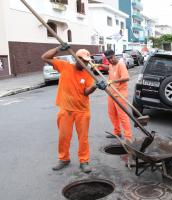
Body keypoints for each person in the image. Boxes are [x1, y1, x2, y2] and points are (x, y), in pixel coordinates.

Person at [41, 44, 107, 173]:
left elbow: (86, 92)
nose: (84, 63)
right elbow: (44, 57)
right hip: (65, 110)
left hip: (82, 111)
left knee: (83, 138)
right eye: (81, 59)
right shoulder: (64, 66)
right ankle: (64, 159)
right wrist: (58, 49)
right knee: (63, 137)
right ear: (76, 58)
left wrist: (95, 86)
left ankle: (84, 161)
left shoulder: (88, 74)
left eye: (86, 61)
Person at [103, 49, 132, 141]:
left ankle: (128, 137)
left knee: (122, 115)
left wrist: (113, 81)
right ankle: (117, 132)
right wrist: (99, 65)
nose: (110, 60)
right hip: (111, 93)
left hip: (120, 94)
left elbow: (126, 78)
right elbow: (109, 68)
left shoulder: (121, 64)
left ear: (114, 55)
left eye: (111, 58)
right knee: (112, 114)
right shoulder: (111, 65)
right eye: (108, 59)